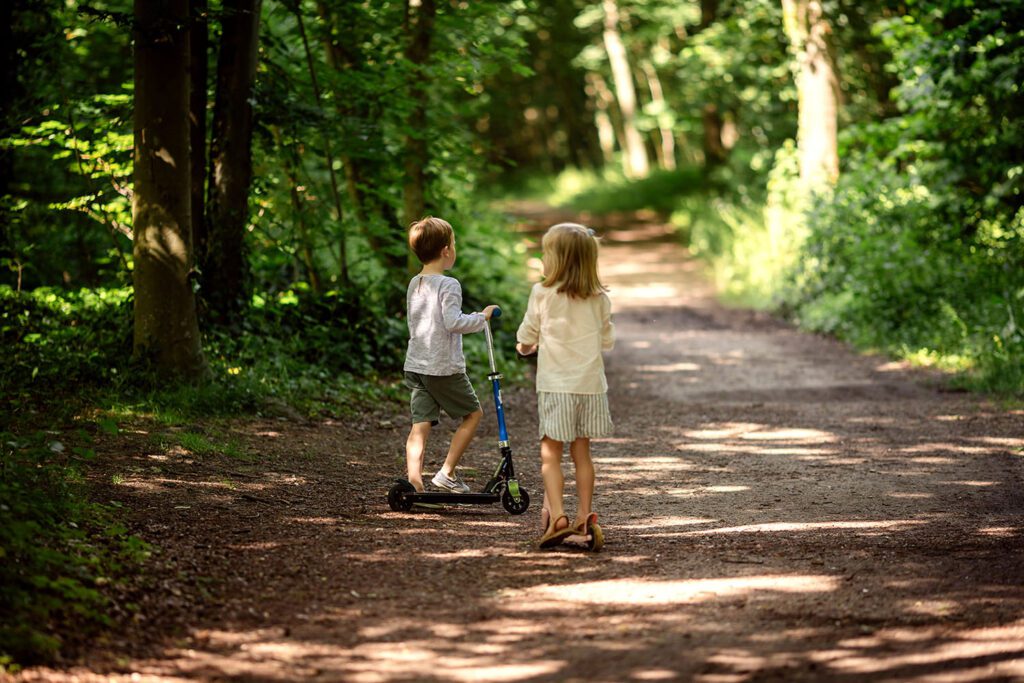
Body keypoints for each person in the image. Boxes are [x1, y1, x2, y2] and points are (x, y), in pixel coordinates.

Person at [516, 222, 614, 548]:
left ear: (555, 259)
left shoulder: (542, 293)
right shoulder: (599, 298)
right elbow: (606, 338)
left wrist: (525, 347)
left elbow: (527, 336)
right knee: (582, 453)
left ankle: (557, 514)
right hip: (589, 385)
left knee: (550, 455)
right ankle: (584, 516)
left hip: (556, 385)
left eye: (546, 253)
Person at [403, 216, 499, 494]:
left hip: (416, 365)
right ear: (446, 250)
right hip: (442, 367)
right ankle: (446, 473)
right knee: (473, 413)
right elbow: (453, 322)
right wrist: (482, 317)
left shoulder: (415, 282)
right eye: (454, 244)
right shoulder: (449, 284)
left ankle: (415, 484)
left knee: (419, 425)